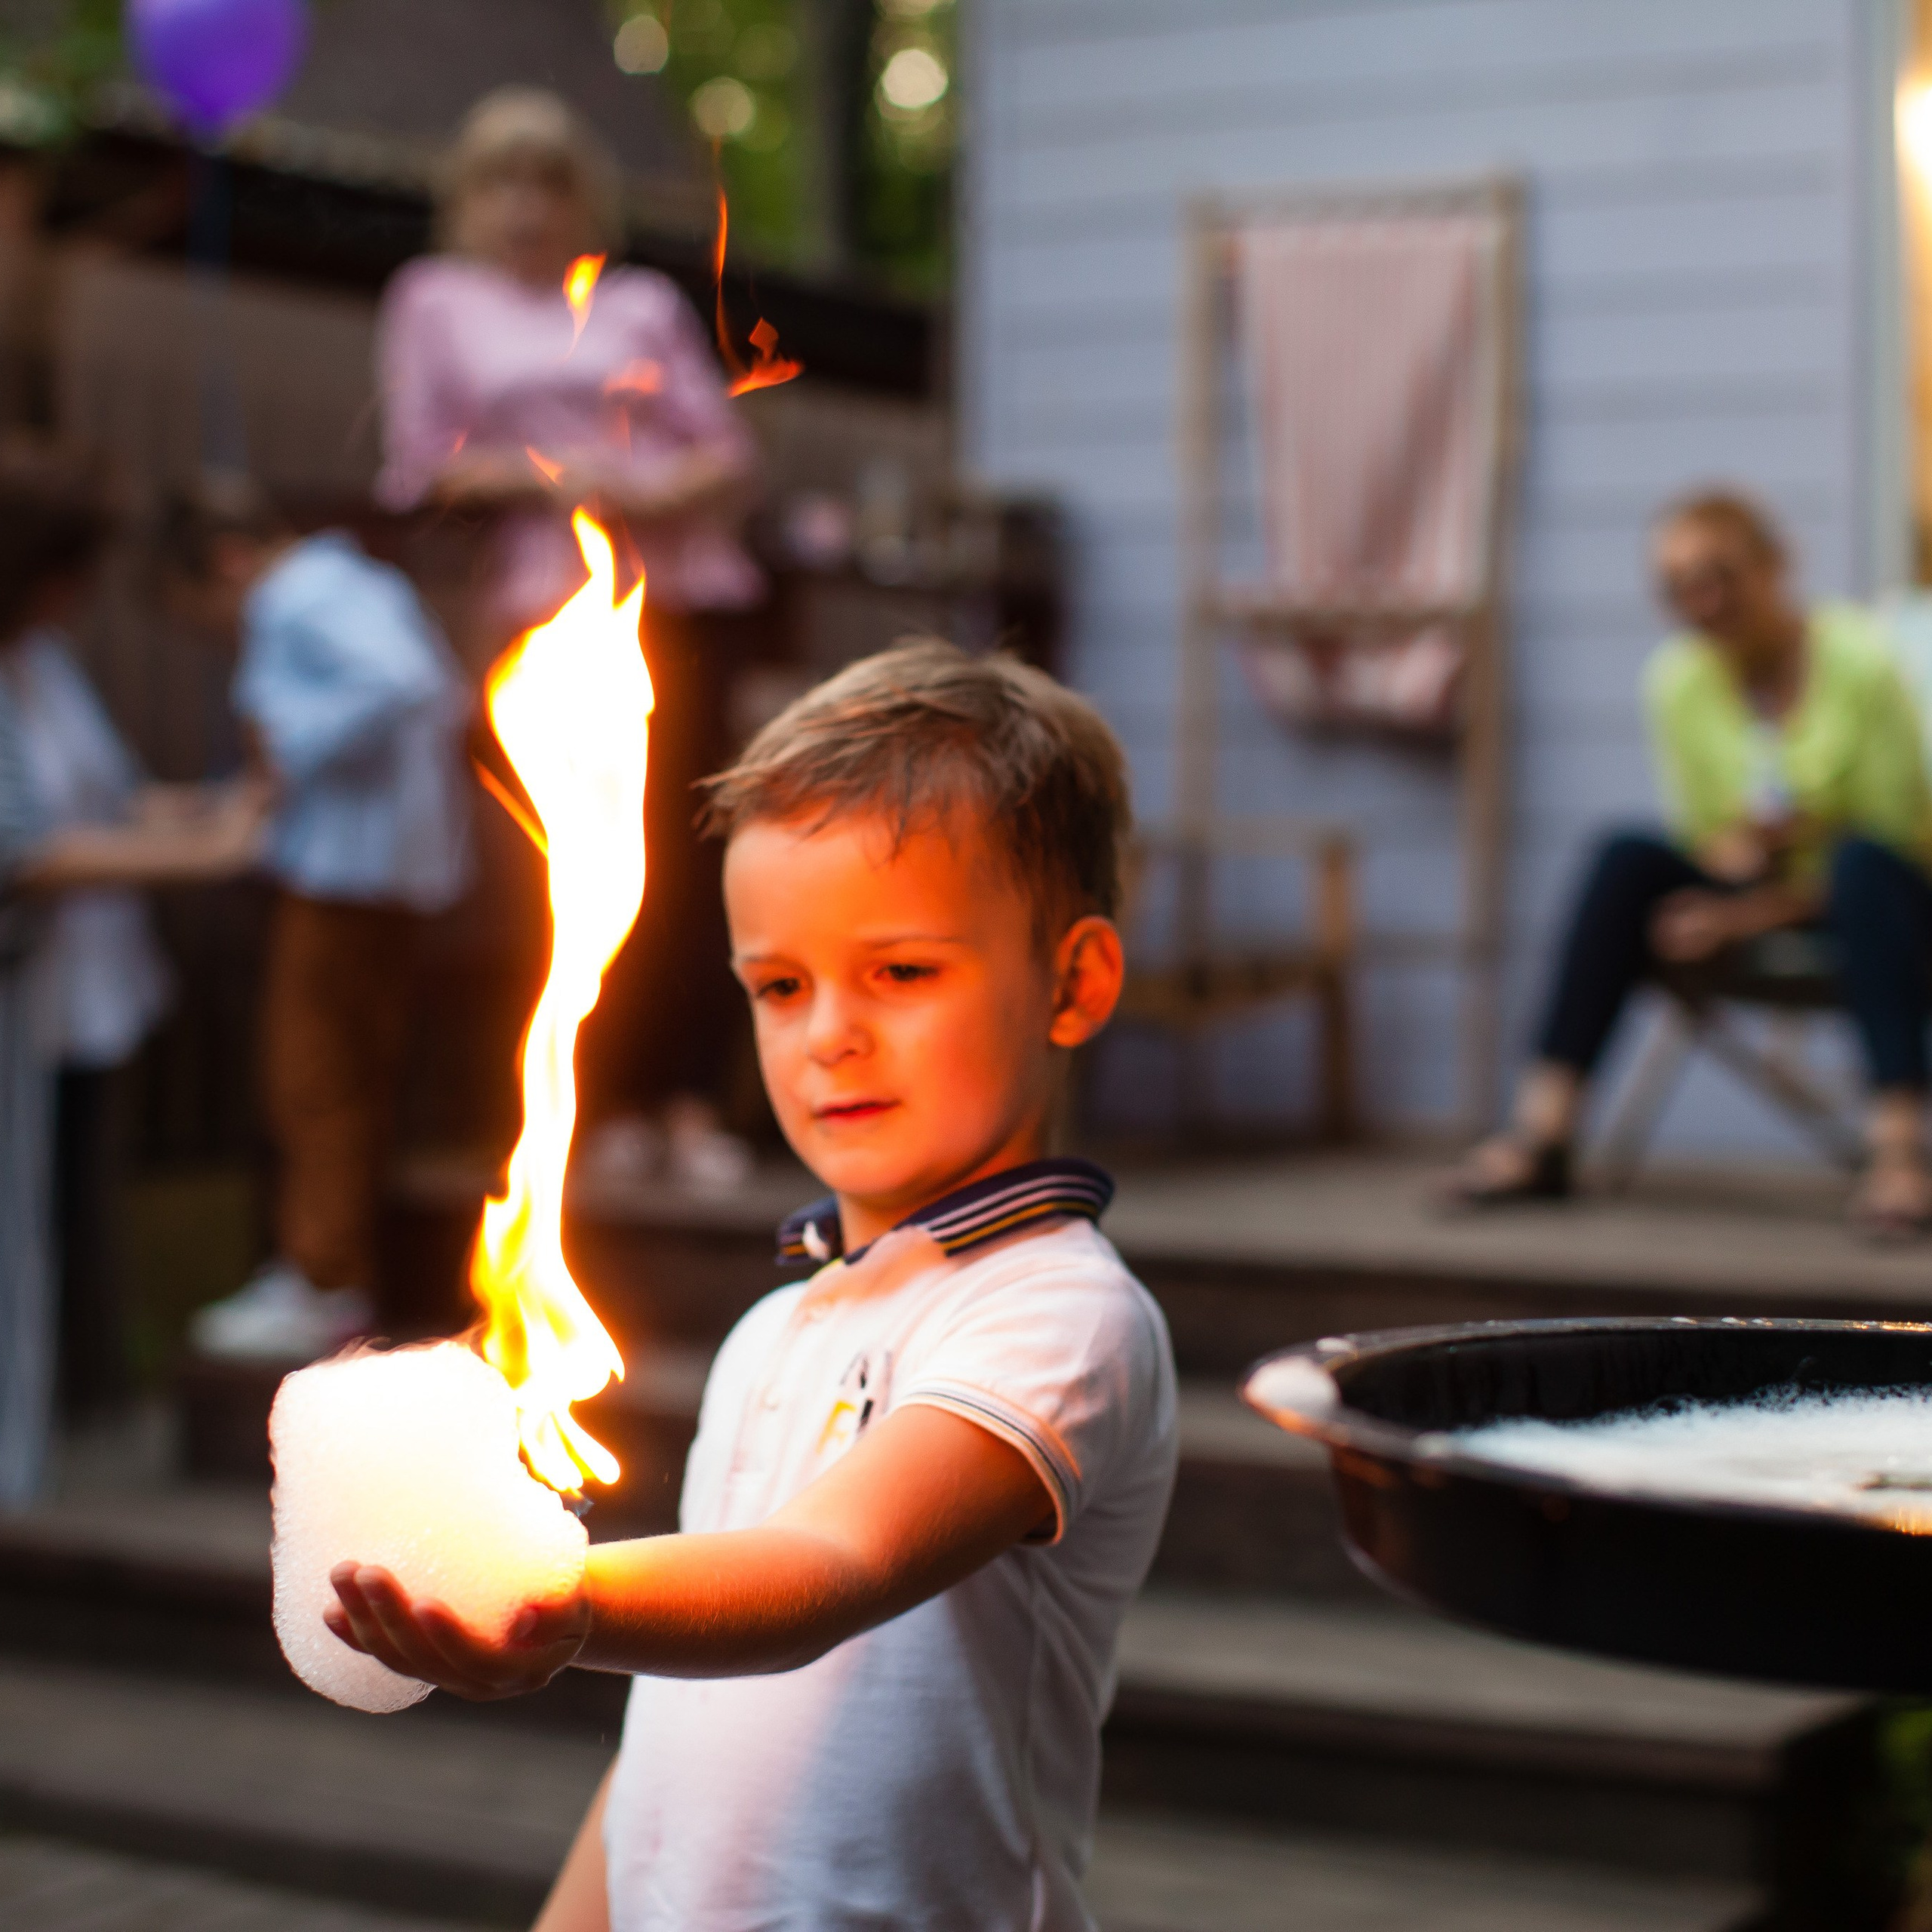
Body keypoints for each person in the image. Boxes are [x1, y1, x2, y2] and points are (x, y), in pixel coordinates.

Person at [323, 641, 1180, 1932]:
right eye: (780, 986)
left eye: (902, 971)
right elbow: (672, 1742)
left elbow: (825, 1568)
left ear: (1074, 981)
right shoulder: (779, 1324)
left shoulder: (1056, 1312)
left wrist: (556, 1602)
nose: (829, 1030)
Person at [374, 85, 762, 1189]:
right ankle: (590, 1101)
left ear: (581, 195)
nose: (526, 205)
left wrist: (640, 483)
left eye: (548, 180)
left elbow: (723, 452)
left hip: (673, 599)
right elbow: (420, 462)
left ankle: (682, 1100)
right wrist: (557, 480)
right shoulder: (435, 299)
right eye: (503, 180)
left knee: (684, 854)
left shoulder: (638, 303)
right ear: (470, 196)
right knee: (558, 866)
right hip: (536, 614)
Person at [1449, 489, 1932, 1236]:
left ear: (1774, 566)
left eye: (1719, 575)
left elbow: (1895, 842)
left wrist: (1738, 912)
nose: (1698, 601)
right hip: (1766, 891)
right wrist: (1744, 858)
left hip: (1884, 903)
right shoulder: (1677, 684)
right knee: (1623, 857)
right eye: (1675, 586)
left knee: (1863, 867)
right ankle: (1543, 1131)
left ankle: (1898, 1153)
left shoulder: (1860, 664)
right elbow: (1714, 843)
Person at [0, 467, 266, 1504]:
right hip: (21, 983)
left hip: (68, 996)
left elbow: (108, 801)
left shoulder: (45, 661)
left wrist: (224, 805)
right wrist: (213, 854)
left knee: (46, 1229)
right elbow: (25, 852)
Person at [169, 481, 475, 1362]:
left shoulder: (294, 593)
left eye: (204, 612)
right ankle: (326, 1274)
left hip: (347, 871)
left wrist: (284, 746)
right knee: (346, 1077)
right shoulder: (350, 579)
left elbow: (408, 682)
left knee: (311, 1078)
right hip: (378, 865)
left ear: (227, 562)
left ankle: (321, 1277)